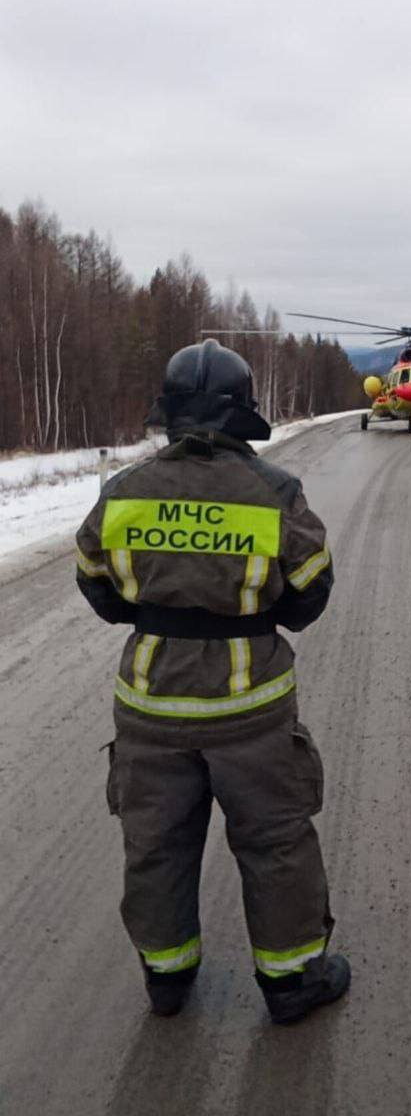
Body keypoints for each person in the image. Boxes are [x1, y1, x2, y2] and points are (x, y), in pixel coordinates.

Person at [75, 339, 350, 1021]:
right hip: (250, 713)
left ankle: (166, 979)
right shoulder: (274, 493)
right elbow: (310, 595)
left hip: (149, 708)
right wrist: (249, 615)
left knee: (156, 844)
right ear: (243, 412)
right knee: (274, 843)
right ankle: (290, 984)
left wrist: (160, 608)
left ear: (168, 413)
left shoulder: (124, 492)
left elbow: (97, 587)